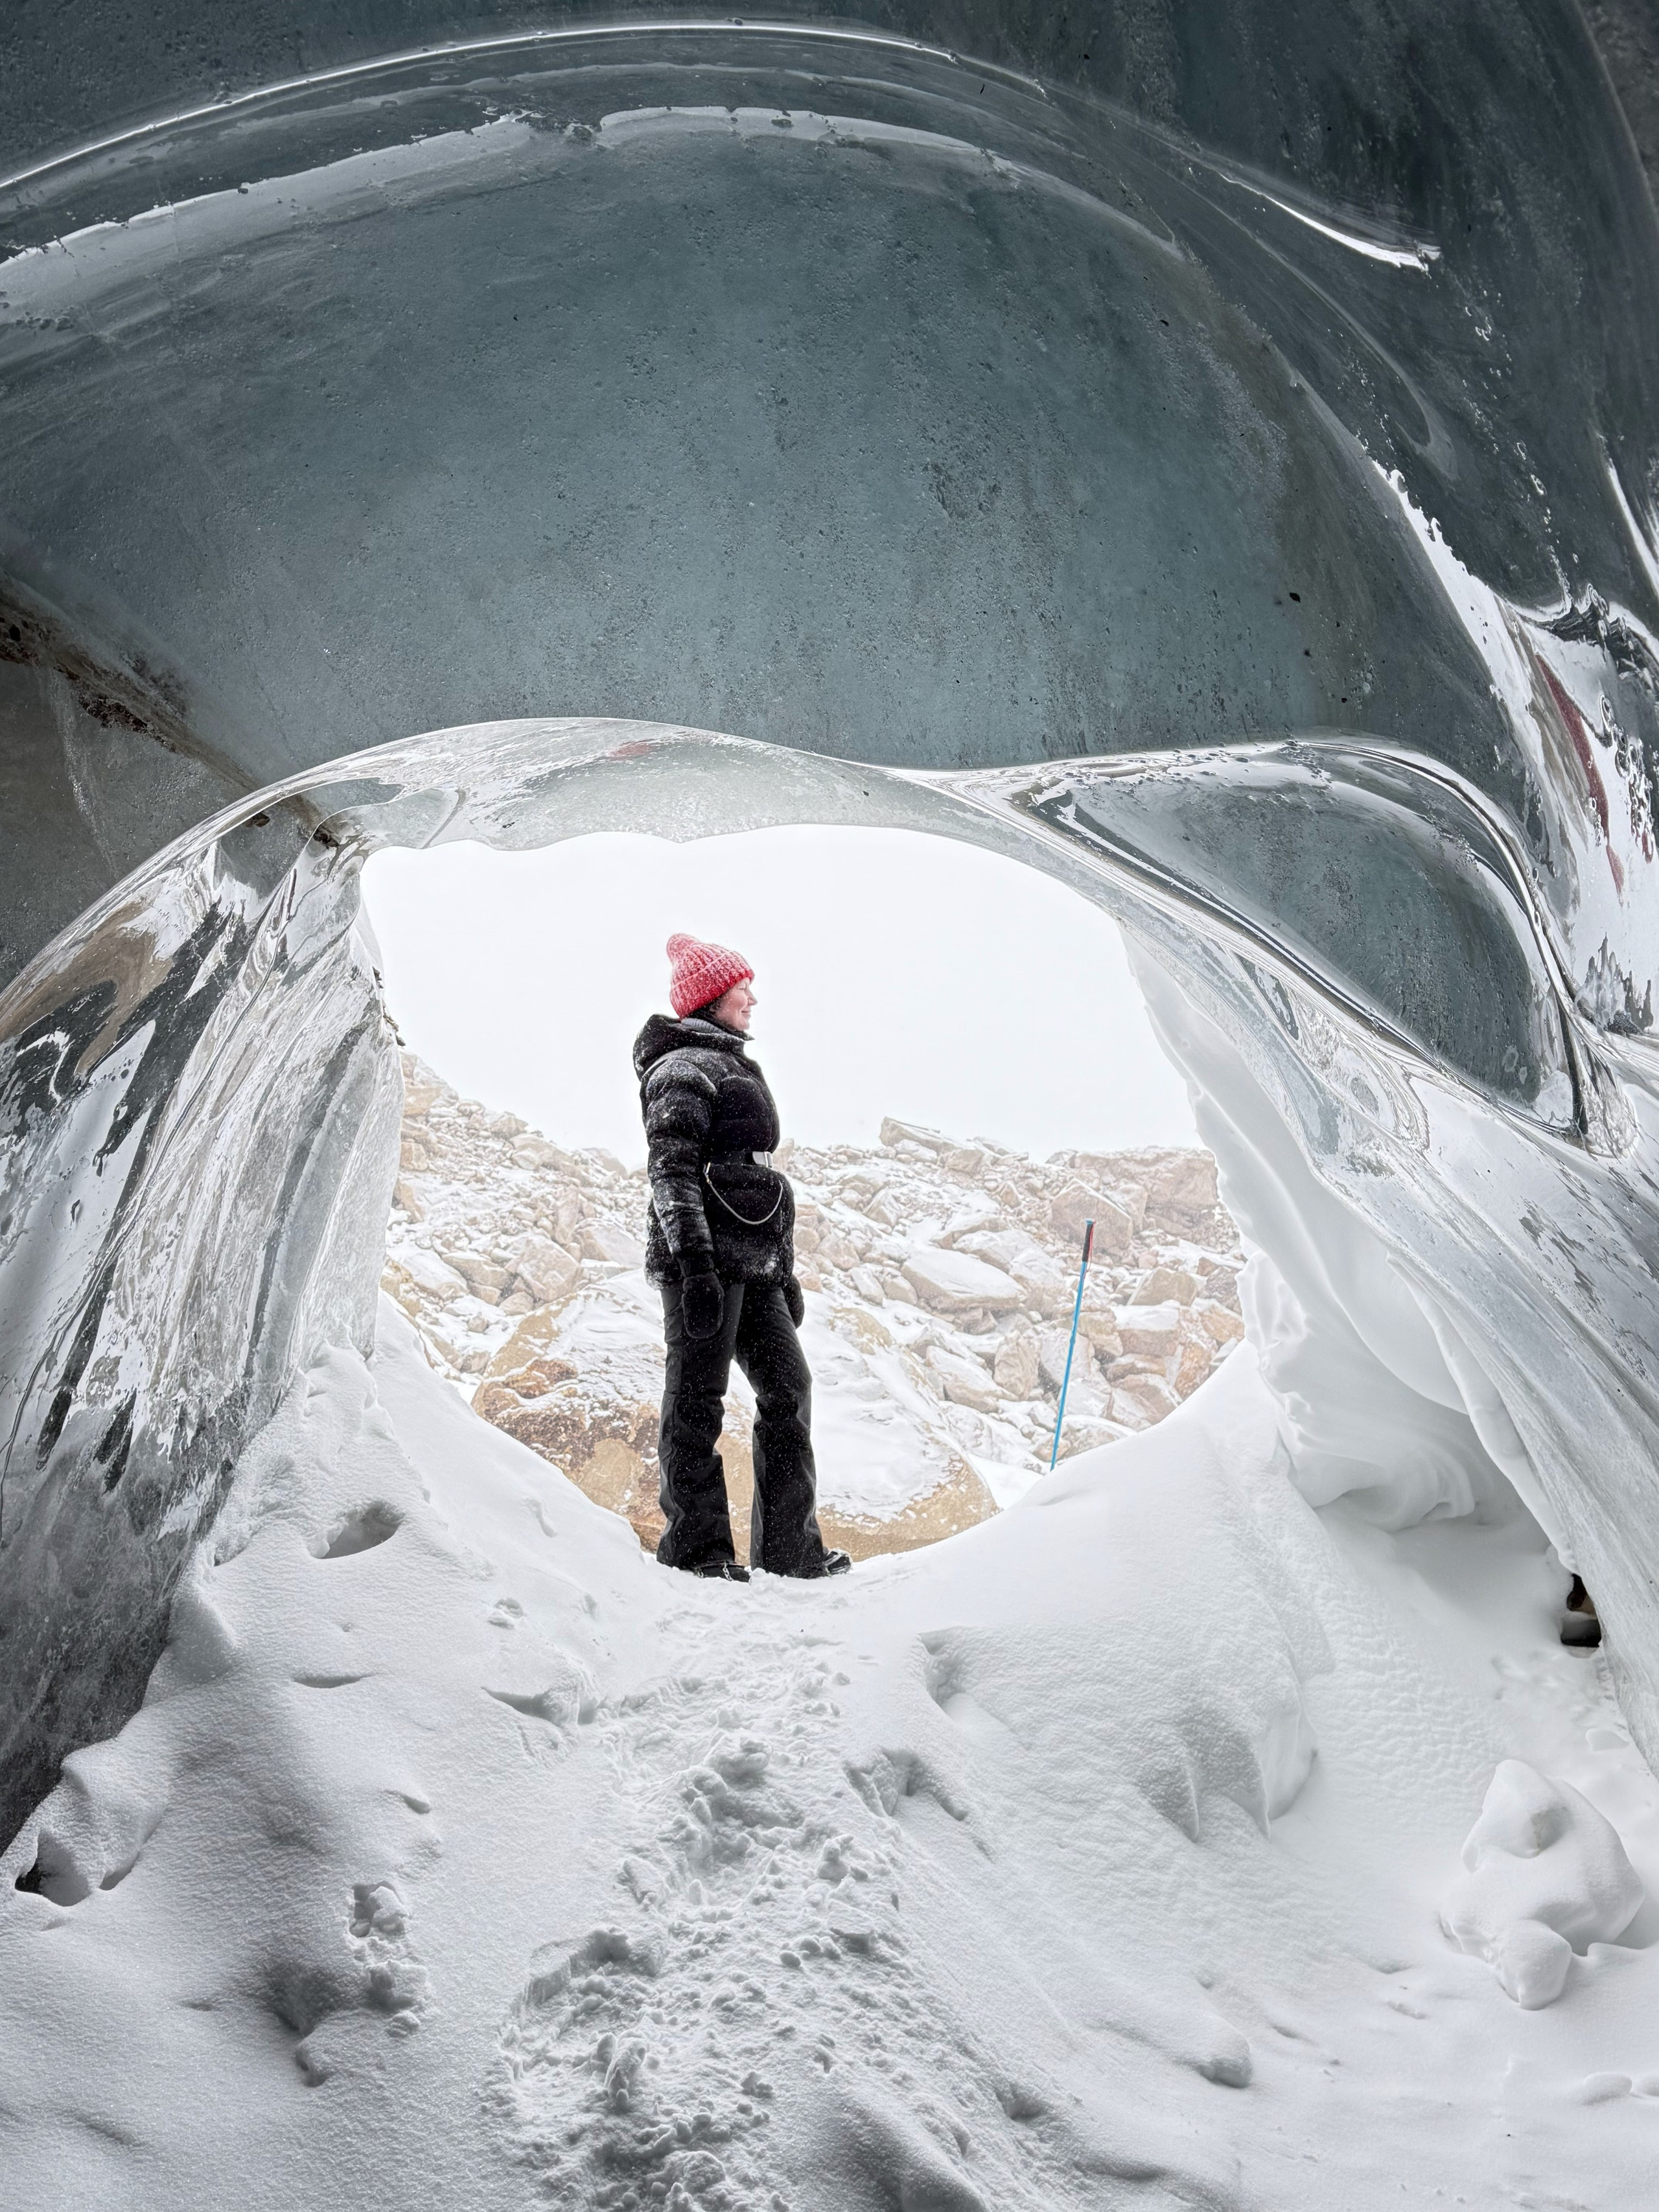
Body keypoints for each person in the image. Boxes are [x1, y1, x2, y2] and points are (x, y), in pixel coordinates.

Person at [634, 933, 850, 1583]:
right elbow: (670, 1171)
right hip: (702, 1263)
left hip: (751, 1265)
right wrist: (694, 1264)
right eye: (741, 987)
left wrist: (780, 1273)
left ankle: (790, 1551)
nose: (752, 996)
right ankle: (697, 1551)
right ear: (709, 996)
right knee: (698, 1398)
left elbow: (754, 1184)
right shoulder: (681, 1069)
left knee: (789, 1387)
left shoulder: (723, 1063)